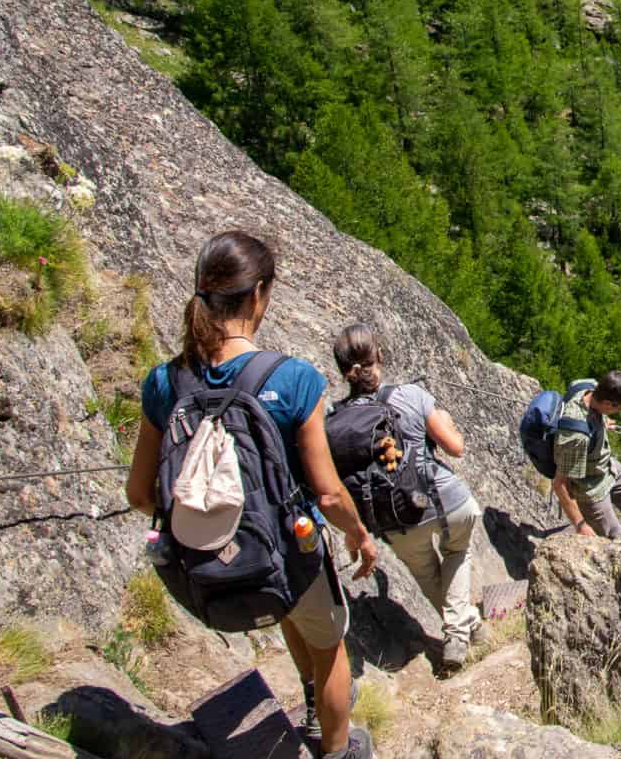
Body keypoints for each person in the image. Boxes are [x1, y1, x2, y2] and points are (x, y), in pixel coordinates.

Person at [126, 231, 377, 759]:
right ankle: (335, 749)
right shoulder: (292, 380)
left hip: (205, 558)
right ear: (259, 295)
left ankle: (310, 707)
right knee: (331, 649)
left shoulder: (163, 382)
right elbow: (329, 495)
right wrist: (359, 536)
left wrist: (212, 520)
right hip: (290, 550)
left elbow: (139, 493)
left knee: (290, 617)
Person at [331, 323, 485, 674]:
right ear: (379, 356)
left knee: (429, 574)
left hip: (394, 518)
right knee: (458, 551)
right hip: (446, 500)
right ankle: (459, 634)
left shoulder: (336, 419)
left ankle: (468, 626)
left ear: (344, 372)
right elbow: (455, 447)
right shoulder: (411, 396)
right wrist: (445, 419)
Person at [550, 371, 621, 539]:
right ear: (607, 403)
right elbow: (560, 484)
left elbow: (588, 405)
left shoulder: (586, 385)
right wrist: (580, 524)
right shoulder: (577, 436)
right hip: (590, 488)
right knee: (615, 536)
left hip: (606, 467)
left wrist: (602, 421)